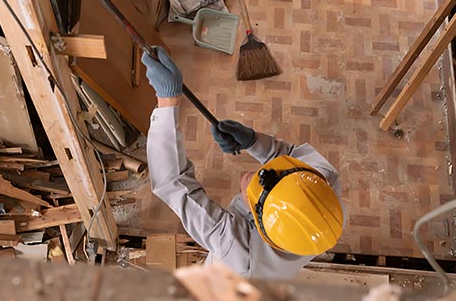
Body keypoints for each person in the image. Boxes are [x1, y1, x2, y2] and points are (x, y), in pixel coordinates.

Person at [142, 48, 346, 279]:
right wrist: (254, 141)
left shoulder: (236, 249)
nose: (255, 177)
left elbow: (172, 184)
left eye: (256, 191)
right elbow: (290, 155)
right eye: (278, 174)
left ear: (258, 220)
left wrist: (167, 102)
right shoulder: (324, 188)